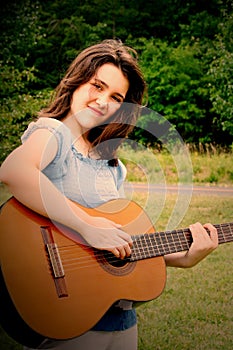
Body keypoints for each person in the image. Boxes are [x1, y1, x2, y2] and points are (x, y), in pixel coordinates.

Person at [0, 39, 218, 350]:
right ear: (76, 83)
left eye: (116, 96)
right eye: (96, 86)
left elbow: (116, 243)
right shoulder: (54, 133)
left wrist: (183, 256)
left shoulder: (112, 164)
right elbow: (14, 170)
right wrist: (87, 225)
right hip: (69, 322)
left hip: (121, 323)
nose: (103, 101)